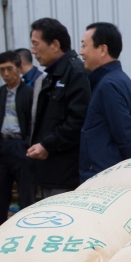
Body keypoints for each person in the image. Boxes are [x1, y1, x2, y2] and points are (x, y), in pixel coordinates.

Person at [78, 22, 131, 182]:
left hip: (106, 178)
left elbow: (126, 135)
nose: (81, 52)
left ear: (103, 49)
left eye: (84, 46)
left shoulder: (108, 85)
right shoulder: (123, 81)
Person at [28, 18, 90, 197]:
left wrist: (47, 145)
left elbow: (78, 120)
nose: (33, 51)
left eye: (36, 44)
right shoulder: (51, 76)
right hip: (49, 170)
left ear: (55, 44)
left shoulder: (75, 72)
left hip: (65, 173)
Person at [0, 51, 34, 234]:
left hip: (20, 146)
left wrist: (27, 144)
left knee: (27, 195)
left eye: (9, 69)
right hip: (0, 147)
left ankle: (26, 232)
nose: (6, 74)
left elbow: (33, 121)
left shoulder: (29, 92)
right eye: (2, 70)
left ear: (19, 68)